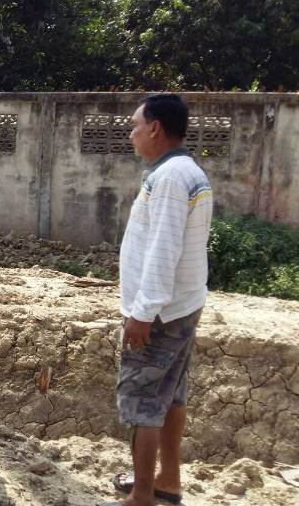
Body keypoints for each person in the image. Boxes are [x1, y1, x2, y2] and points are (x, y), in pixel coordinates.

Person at [103, 94, 212, 506]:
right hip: (182, 304)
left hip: (160, 313)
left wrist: (143, 312)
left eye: (134, 126)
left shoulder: (169, 178)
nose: (131, 134)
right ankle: (167, 480)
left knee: (142, 400)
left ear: (154, 128)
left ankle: (143, 495)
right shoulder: (186, 172)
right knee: (170, 395)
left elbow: (163, 249)